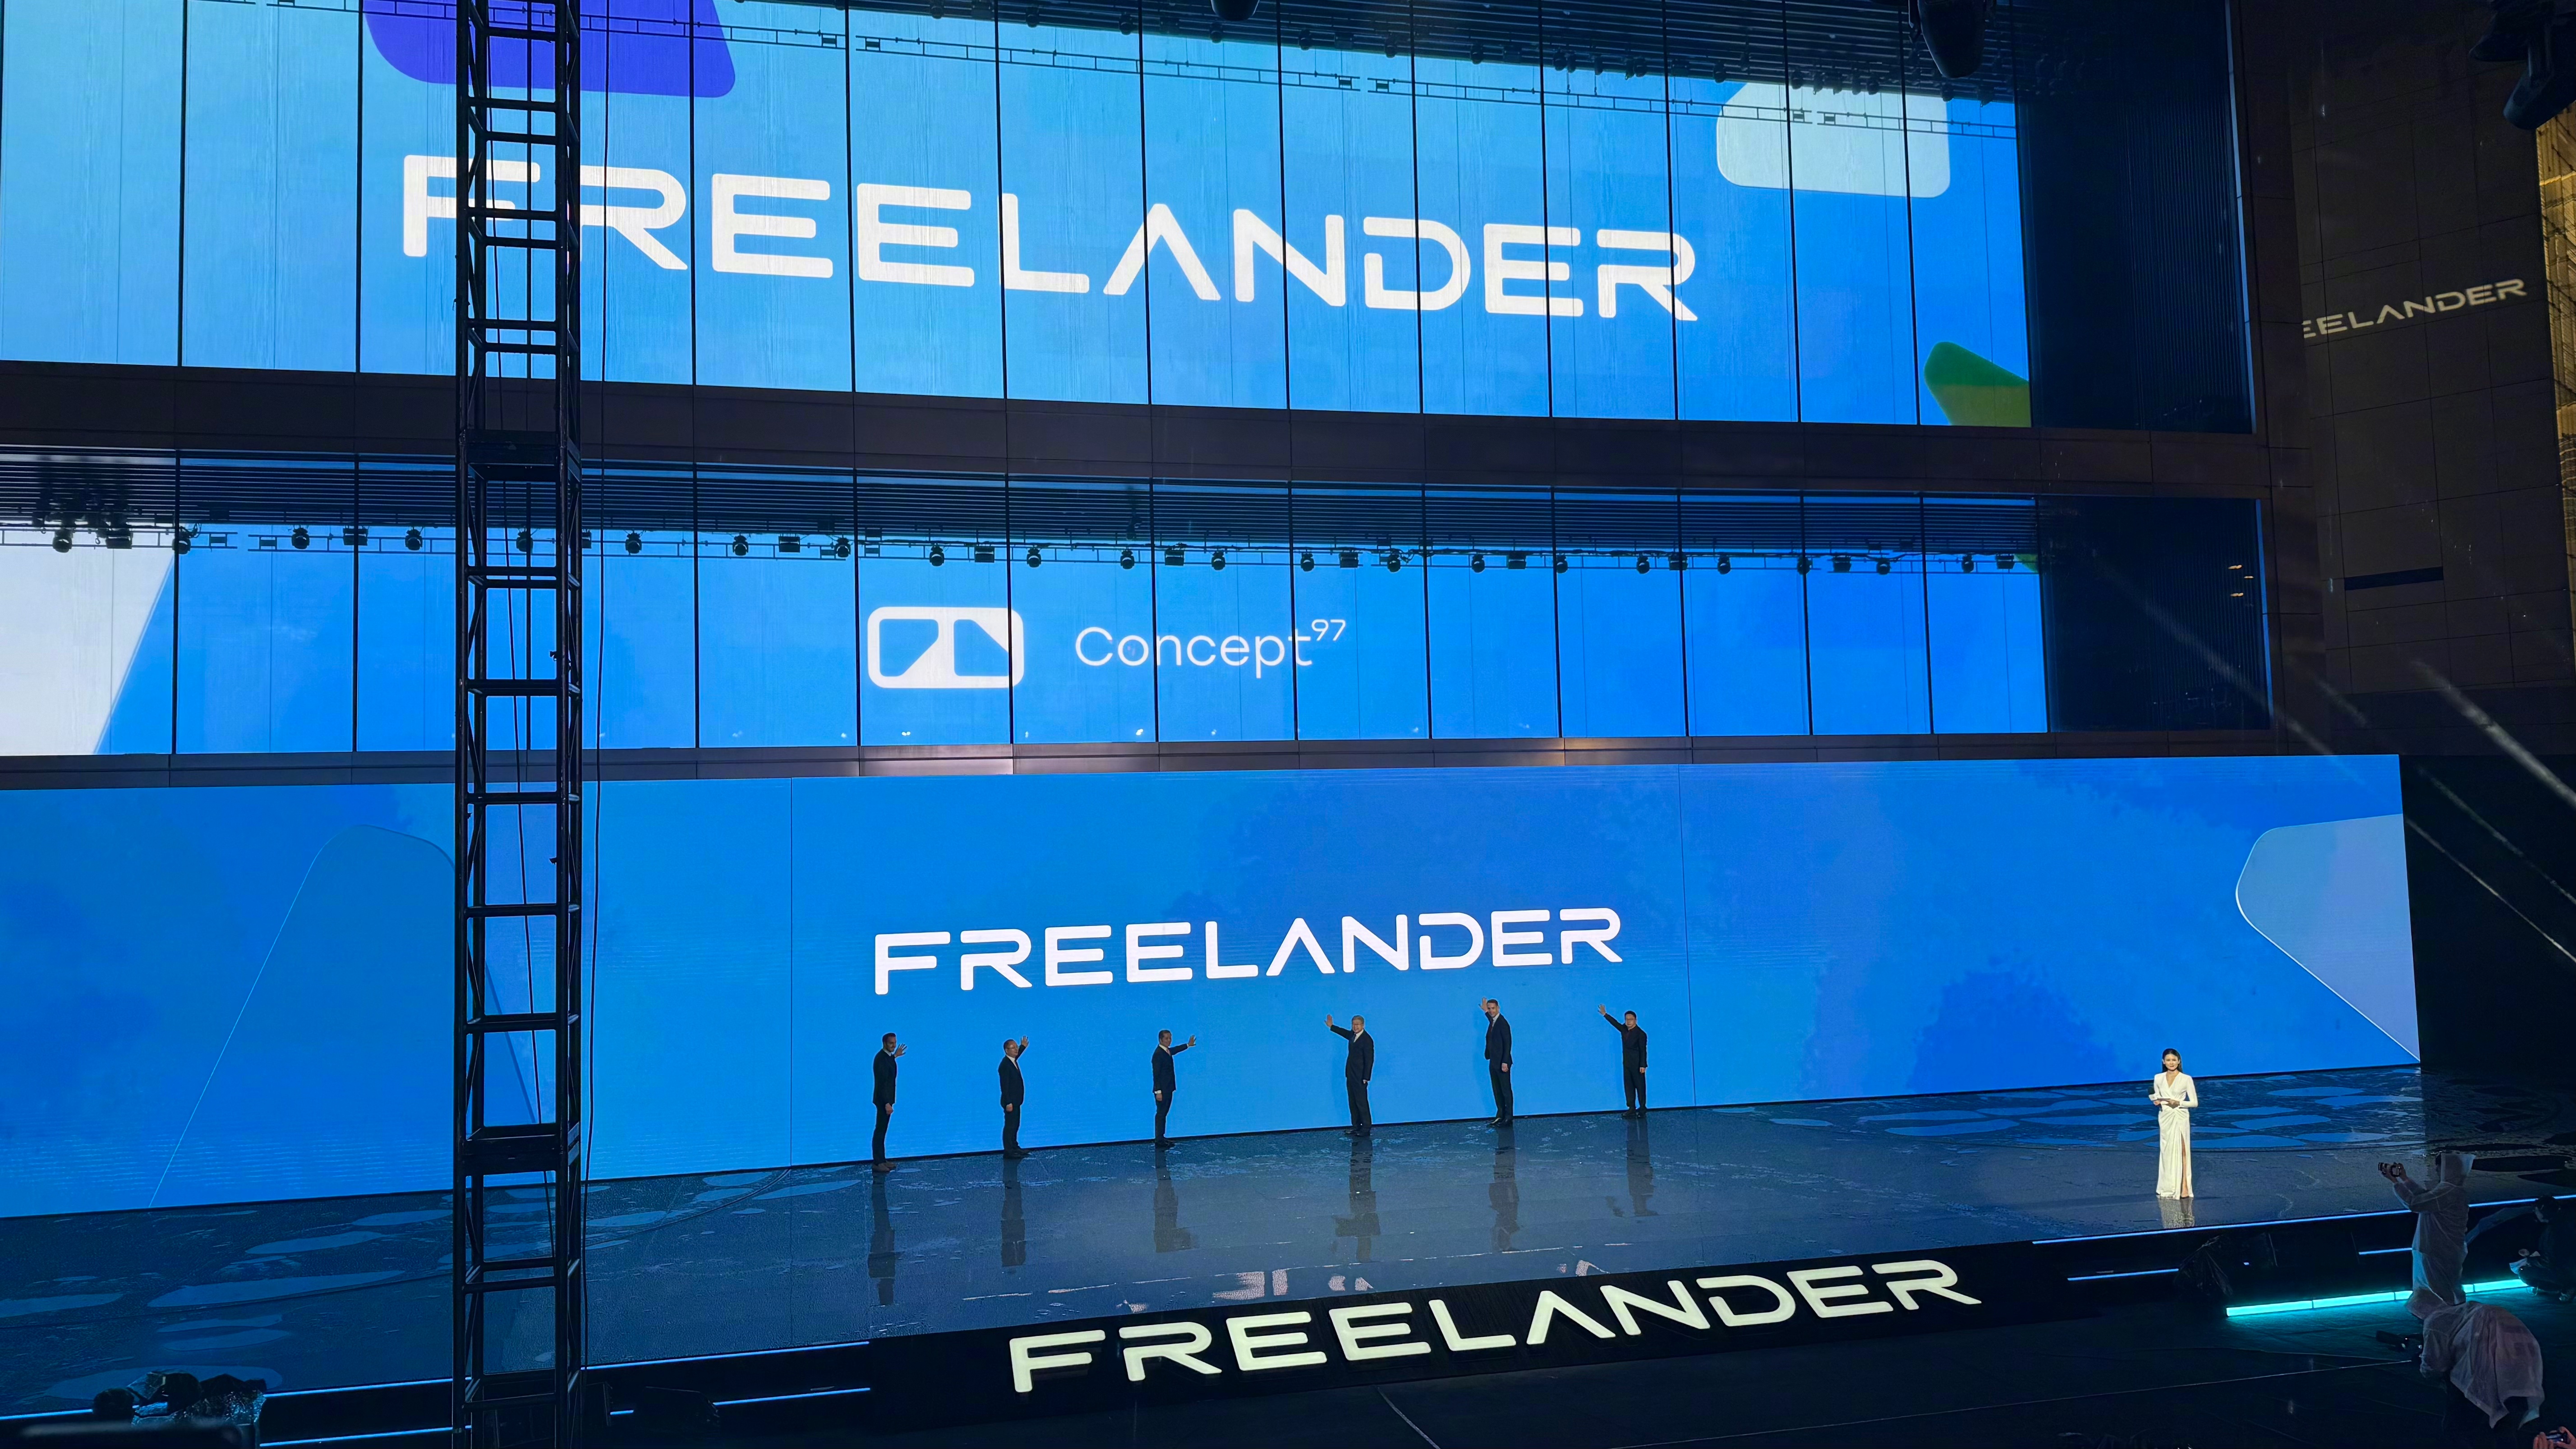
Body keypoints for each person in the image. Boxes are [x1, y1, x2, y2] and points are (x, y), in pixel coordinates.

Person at [2413, 1297, 2545, 1433]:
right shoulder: (2474, 1310)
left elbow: (2434, 1366)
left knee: (2462, 1428)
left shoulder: (2434, 1321)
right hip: (2519, 1368)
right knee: (2506, 1426)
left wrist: (2423, 1363)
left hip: (2483, 1375)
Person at [2385, 1152, 2472, 1313]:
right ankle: (2446, 1313)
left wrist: (2396, 1182)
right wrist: (2405, 1179)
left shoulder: (2449, 1192)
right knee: (2443, 1284)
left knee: (2437, 1287)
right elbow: (2427, 1197)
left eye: (2439, 1169)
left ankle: (2442, 1315)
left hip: (2436, 1249)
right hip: (2441, 1249)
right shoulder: (2452, 1191)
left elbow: (2416, 1203)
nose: (2437, 1172)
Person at [2150, 1048, 2196, 1199]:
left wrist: (2179, 1103)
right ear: (2164, 1062)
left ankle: (2184, 1187)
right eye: (2169, 1060)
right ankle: (2168, 1186)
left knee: (2183, 1151)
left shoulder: (2186, 1079)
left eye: (2174, 1060)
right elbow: (2156, 1095)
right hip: (2166, 1117)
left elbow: (2195, 1103)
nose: (2171, 1063)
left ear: (2179, 1061)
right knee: (2167, 1152)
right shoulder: (2158, 1078)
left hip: (2180, 1116)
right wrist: (2157, 1101)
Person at [2511, 1196, 2573, 1300]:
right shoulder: (2564, 1223)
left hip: (2564, 1271)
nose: (2535, 1213)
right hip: (2569, 1268)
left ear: (2543, 1212)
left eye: (2536, 1211)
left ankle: (2563, 1287)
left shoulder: (2552, 1232)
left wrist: (2530, 1261)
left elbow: (2550, 1262)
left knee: (2524, 1274)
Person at [1328, 1014, 1374, 1136]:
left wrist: (1366, 1077)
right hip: (1351, 1074)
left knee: (1362, 1103)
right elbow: (1344, 1033)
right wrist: (1332, 1027)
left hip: (1361, 1077)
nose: (1355, 1027)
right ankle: (1356, 1126)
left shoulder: (1367, 1040)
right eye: (1354, 1024)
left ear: (1363, 1025)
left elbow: (1369, 1060)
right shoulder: (1353, 1036)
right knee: (1353, 1102)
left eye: (1358, 1024)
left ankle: (1366, 1128)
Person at [1151, 1029, 1196, 1148]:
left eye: (1170, 1038)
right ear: (1161, 1040)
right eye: (1166, 1038)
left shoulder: (1166, 1051)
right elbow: (1156, 1075)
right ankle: (1159, 1140)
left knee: (1164, 1114)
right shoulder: (1158, 1054)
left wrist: (1188, 1045)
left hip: (1168, 1088)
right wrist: (1158, 1092)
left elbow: (1174, 1050)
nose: (1169, 1040)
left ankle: (1161, 1137)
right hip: (1162, 1091)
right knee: (1161, 1114)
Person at [1600, 1005, 1647, 1114]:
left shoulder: (1641, 1034)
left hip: (1638, 1065)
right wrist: (1605, 1015)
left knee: (1640, 1087)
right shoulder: (1624, 1030)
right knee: (1629, 1086)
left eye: (1631, 1019)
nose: (1629, 1021)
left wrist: (1643, 1065)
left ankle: (1642, 1108)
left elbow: (1643, 1050)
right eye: (1627, 1019)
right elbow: (1615, 1024)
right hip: (1627, 1064)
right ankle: (1631, 1108)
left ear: (1636, 1020)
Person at [871, 1032, 905, 1171]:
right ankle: (878, 1163)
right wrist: (887, 1103)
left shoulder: (887, 1057)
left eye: (895, 1043)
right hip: (883, 1101)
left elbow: (889, 1065)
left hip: (887, 1100)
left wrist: (895, 1056)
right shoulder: (880, 1058)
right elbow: (882, 1083)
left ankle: (882, 1159)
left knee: (883, 1131)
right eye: (891, 1043)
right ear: (885, 1043)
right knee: (880, 1131)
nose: (894, 1045)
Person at [1483, 998, 1514, 1127]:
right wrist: (1485, 1012)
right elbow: (1491, 1019)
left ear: (1498, 1008)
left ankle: (1509, 1117)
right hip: (1494, 1061)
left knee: (1506, 1090)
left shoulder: (1503, 1023)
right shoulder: (1494, 1021)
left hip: (1502, 1063)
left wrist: (1505, 1062)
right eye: (1489, 1009)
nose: (1491, 1011)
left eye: (1493, 1009)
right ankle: (1500, 1114)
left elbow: (1508, 1043)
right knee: (1497, 1090)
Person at [998, 1035, 1029, 1159]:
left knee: (1016, 1125)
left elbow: (1017, 1054)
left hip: (1017, 1101)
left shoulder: (1012, 1060)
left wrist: (1023, 1047)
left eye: (1017, 1047)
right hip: (1010, 1102)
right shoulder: (1005, 1066)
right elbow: (1005, 1087)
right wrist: (1008, 1102)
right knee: (1010, 1127)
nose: (1016, 1050)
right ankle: (1009, 1151)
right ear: (1007, 1050)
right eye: (1013, 1048)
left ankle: (1015, 1147)